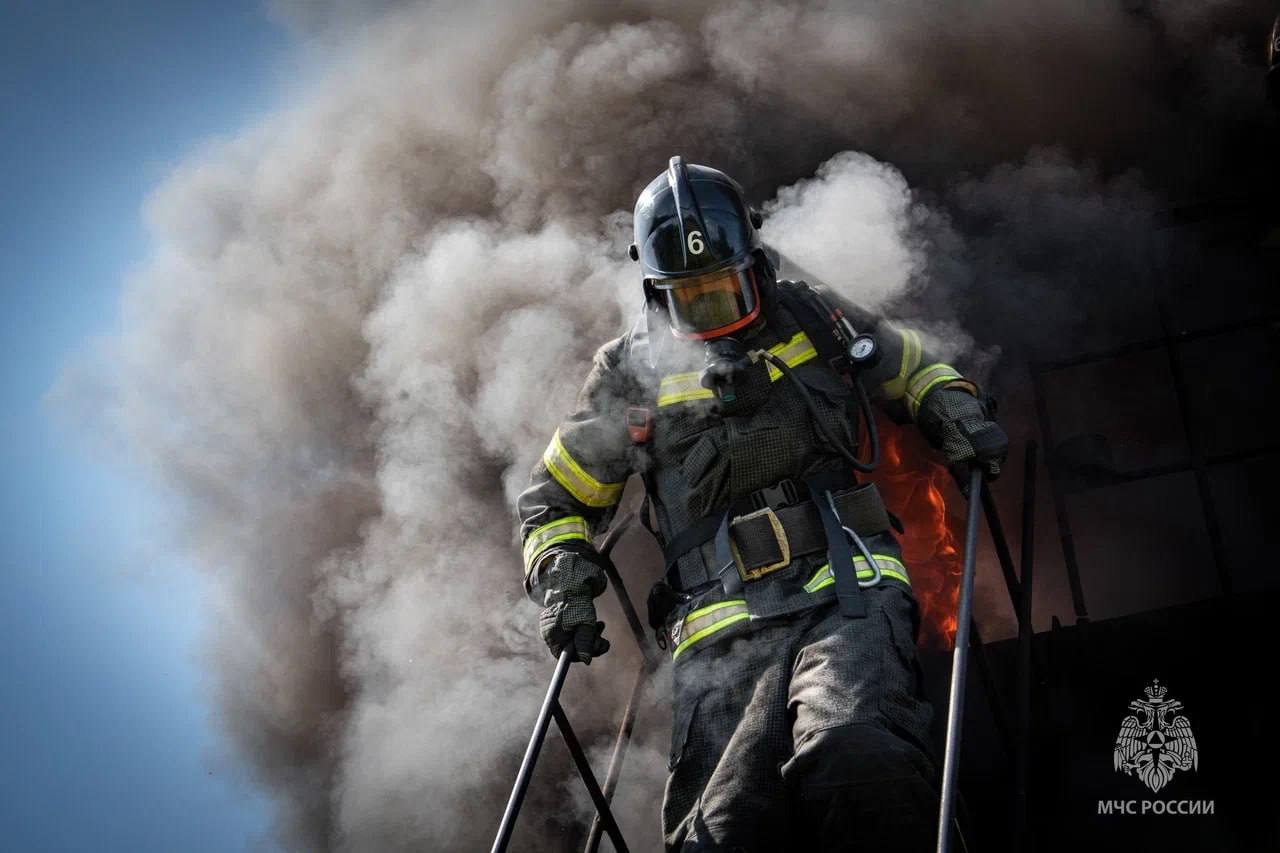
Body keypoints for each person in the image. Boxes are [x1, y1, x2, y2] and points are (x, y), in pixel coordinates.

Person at [516, 157, 1008, 852]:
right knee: (722, 828)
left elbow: (912, 366)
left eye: (728, 290)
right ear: (658, 296)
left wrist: (954, 406)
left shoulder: (816, 319)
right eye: (695, 300)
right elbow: (557, 499)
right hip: (719, 630)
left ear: (759, 264)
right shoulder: (631, 374)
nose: (715, 315)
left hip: (849, 592)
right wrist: (562, 577)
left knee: (859, 754)